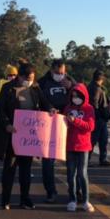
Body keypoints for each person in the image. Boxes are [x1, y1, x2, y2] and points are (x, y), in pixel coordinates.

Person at [0, 62, 53, 210]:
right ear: (19, 76)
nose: (30, 81)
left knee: (26, 169)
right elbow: (0, 110)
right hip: (12, 133)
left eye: (32, 78)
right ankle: (5, 200)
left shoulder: (35, 88)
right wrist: (7, 124)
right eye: (28, 78)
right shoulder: (8, 88)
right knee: (10, 168)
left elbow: (45, 103)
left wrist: (51, 109)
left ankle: (25, 199)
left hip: (29, 135)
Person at [38, 60, 75, 202]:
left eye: (63, 73)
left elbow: (81, 96)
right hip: (49, 125)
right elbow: (38, 100)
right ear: (52, 70)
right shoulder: (43, 82)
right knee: (48, 161)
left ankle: (73, 191)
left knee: (71, 160)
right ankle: (50, 191)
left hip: (68, 125)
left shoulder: (70, 81)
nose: (61, 75)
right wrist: (48, 108)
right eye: (58, 73)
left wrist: (72, 87)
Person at [64, 83, 96, 212]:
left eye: (78, 96)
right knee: (71, 174)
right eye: (73, 96)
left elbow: (90, 127)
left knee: (82, 173)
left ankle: (86, 200)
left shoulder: (89, 109)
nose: (75, 98)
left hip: (83, 146)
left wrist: (75, 121)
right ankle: (72, 199)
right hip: (70, 145)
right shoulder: (67, 108)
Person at [87, 70, 110, 166]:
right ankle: (88, 159)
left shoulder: (95, 87)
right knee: (93, 140)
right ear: (101, 79)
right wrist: (101, 116)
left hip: (100, 118)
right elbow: (95, 104)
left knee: (103, 140)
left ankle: (103, 159)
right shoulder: (96, 88)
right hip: (99, 119)